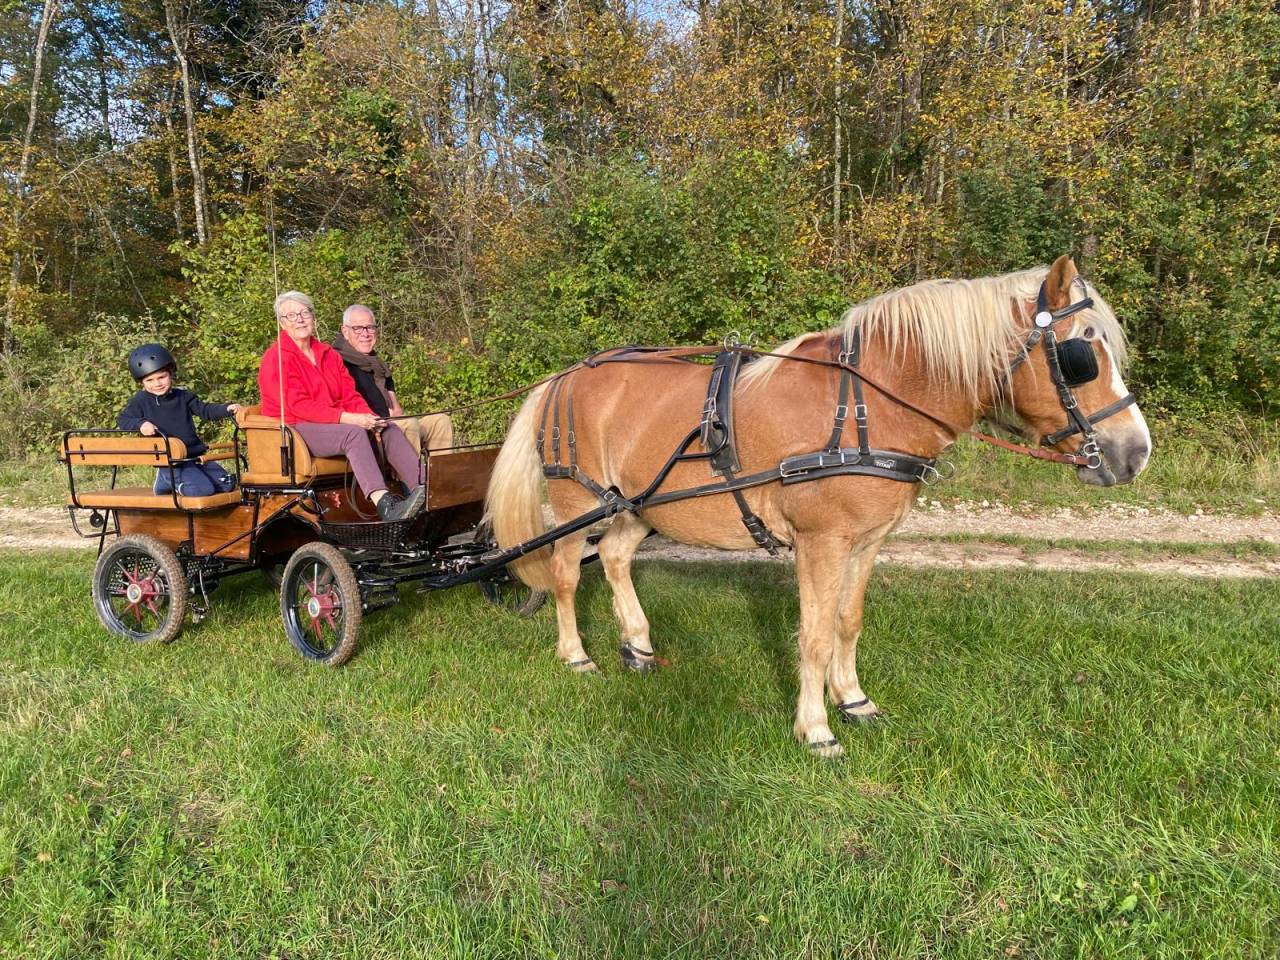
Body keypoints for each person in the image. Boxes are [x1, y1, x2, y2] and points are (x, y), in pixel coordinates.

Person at [258, 291, 425, 523]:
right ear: (282, 322)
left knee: (388, 428)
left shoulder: (328, 354)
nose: (299, 319)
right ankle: (385, 503)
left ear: (313, 316)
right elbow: (299, 406)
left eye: (304, 312)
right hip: (296, 428)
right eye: (291, 315)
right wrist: (350, 419)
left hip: (333, 423)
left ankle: (425, 490)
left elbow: (349, 394)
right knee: (353, 433)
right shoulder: (276, 359)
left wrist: (369, 417)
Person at [117, 343, 242, 497]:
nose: (157, 384)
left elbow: (205, 410)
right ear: (141, 382)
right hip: (172, 461)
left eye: (162, 377)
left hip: (195, 456)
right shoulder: (141, 400)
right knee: (203, 490)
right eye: (150, 380)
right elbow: (123, 419)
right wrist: (141, 423)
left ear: (171, 374)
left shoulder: (182, 396)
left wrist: (226, 409)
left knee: (227, 484)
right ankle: (165, 479)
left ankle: (177, 480)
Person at [332, 304, 455, 455]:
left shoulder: (378, 364)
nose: (366, 333)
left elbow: (396, 409)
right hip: (366, 428)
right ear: (345, 331)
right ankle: (411, 477)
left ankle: (439, 476)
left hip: (391, 421)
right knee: (409, 425)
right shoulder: (337, 361)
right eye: (358, 328)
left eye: (370, 327)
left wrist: (394, 412)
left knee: (440, 421)